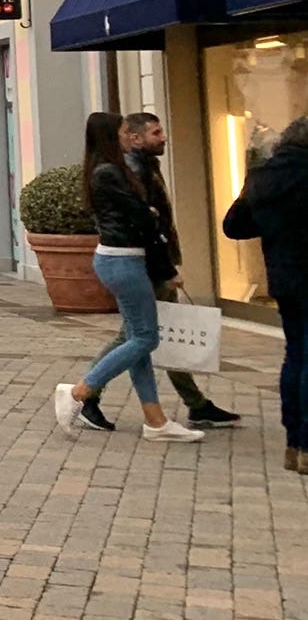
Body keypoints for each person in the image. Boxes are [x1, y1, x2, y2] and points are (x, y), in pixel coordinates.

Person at [52, 111, 204, 442]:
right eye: (123, 131)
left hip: (125, 259)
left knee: (138, 339)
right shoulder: (108, 173)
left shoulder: (112, 170)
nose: (127, 136)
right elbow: (143, 221)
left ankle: (156, 421)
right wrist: (166, 269)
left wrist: (147, 216)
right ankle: (79, 392)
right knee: (145, 338)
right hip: (123, 261)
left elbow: (144, 217)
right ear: (110, 136)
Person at [125, 112, 238, 427]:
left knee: (159, 331)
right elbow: (149, 227)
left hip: (155, 263)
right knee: (133, 336)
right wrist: (166, 267)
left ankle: (196, 402)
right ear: (135, 137)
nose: (163, 137)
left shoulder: (147, 166)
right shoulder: (136, 171)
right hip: (151, 266)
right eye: (155, 132)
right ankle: (85, 392)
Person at [222, 116, 308, 468]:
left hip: (284, 279)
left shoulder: (263, 176)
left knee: (296, 355)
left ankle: (294, 444)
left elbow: (234, 226)